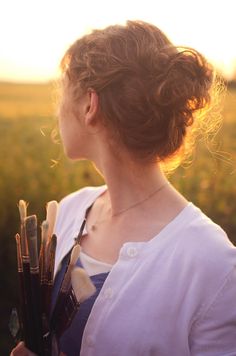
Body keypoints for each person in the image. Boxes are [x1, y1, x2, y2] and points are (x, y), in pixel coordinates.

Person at [11, 20, 236, 356]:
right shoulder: (69, 211)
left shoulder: (214, 265)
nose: (57, 108)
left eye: (61, 92)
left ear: (90, 105)